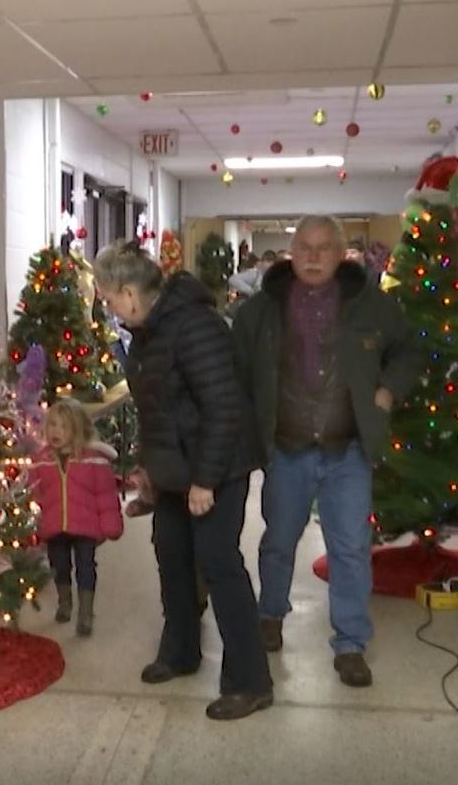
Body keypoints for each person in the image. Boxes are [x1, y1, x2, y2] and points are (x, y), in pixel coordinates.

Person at [232, 215, 421, 688]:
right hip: (287, 449)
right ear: (291, 252)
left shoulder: (372, 305)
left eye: (324, 248)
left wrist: (387, 390)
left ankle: (351, 642)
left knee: (351, 548)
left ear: (342, 255)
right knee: (278, 541)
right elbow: (235, 370)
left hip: (347, 450)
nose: (313, 256)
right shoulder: (260, 310)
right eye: (305, 247)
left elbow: (409, 351)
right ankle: (270, 616)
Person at [93, 240, 273, 721]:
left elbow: (222, 407)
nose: (107, 308)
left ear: (130, 292)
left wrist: (205, 480)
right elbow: (156, 410)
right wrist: (148, 469)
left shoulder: (195, 326)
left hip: (219, 465)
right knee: (171, 550)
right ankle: (181, 651)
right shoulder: (150, 330)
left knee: (218, 563)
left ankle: (251, 680)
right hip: (177, 467)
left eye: (109, 299)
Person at [28, 399, 123, 637]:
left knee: (86, 567)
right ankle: (64, 603)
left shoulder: (94, 460)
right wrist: (33, 524)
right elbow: (35, 494)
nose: (56, 432)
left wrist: (109, 525)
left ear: (78, 429)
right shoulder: (41, 460)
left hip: (86, 527)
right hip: (54, 525)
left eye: (63, 427)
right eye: (52, 426)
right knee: (59, 566)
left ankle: (86, 614)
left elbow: (105, 495)